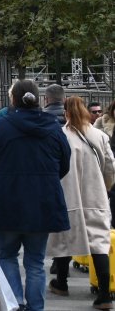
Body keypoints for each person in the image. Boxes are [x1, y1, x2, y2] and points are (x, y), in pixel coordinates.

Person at [0, 80, 71, 311]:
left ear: (13, 100)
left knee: (7, 255)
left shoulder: (0, 126)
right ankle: (36, 307)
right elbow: (64, 163)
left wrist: (0, 177)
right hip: (42, 201)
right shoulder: (53, 127)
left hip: (7, 199)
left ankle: (14, 303)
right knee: (36, 262)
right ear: (39, 99)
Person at [46, 96, 115, 310]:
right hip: (96, 196)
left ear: (65, 112)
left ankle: (62, 283)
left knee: (65, 238)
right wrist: (104, 187)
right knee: (99, 244)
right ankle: (104, 295)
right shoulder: (99, 135)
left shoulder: (60, 136)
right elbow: (110, 167)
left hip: (68, 196)